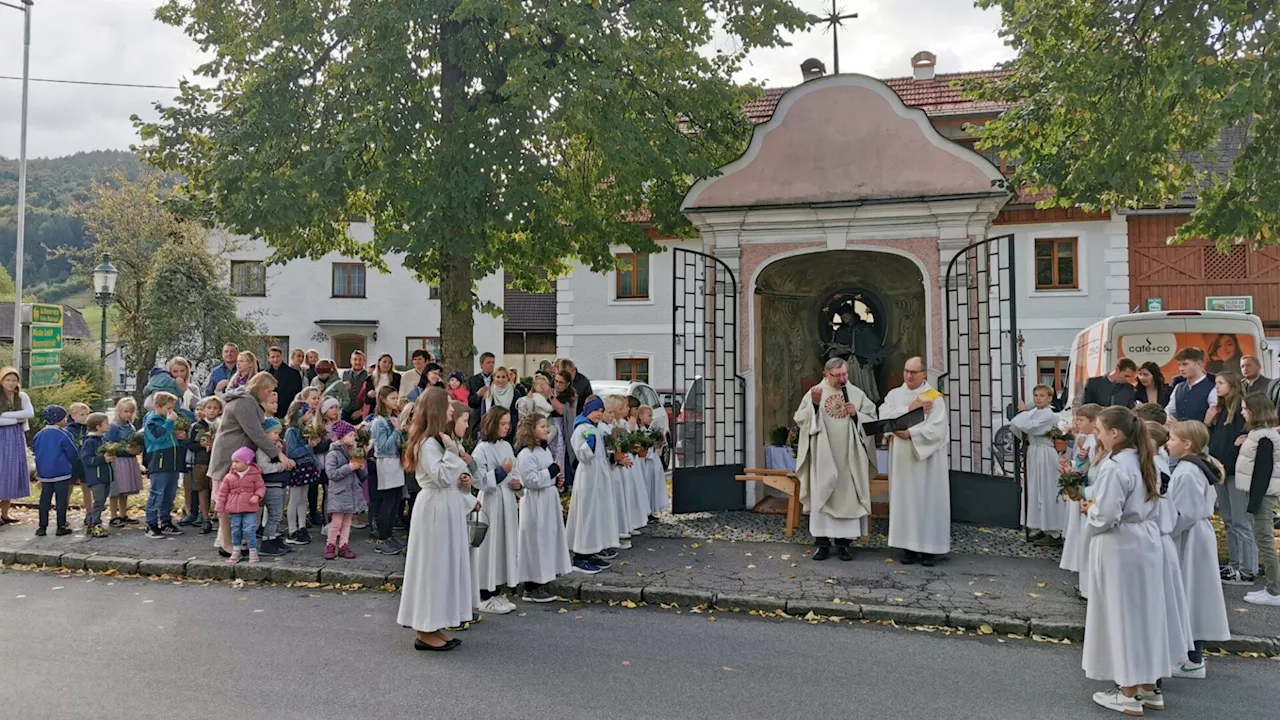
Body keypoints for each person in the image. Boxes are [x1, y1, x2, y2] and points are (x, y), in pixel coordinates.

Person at [1081, 407, 1168, 715]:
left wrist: (1089, 509)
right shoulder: (1147, 461)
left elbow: (1106, 515)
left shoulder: (1114, 466)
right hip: (1146, 541)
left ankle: (1127, 692)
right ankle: (1148, 686)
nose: (1096, 434)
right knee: (1145, 614)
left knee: (1120, 615)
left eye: (1099, 430)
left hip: (1120, 544)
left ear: (1114, 434)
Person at [397, 387, 479, 651]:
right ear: (437, 410)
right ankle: (424, 627)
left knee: (444, 566)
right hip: (434, 509)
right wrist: (453, 453)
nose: (453, 410)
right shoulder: (427, 443)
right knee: (433, 567)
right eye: (449, 407)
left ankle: (437, 622)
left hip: (446, 507)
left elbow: (450, 476)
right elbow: (440, 476)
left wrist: (462, 479)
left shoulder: (438, 441)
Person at [793, 357, 878, 561]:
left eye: (845, 374)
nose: (842, 379)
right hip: (824, 455)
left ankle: (844, 545)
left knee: (848, 496)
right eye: (837, 375)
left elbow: (872, 418)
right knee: (823, 494)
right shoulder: (815, 393)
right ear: (826, 374)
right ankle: (822, 544)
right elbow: (800, 419)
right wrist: (813, 407)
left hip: (849, 456)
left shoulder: (856, 393)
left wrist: (857, 414)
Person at [1165, 421, 1231, 676]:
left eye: (1172, 438)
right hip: (1194, 535)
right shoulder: (1192, 466)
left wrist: (1165, 532)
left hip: (1190, 538)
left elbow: (1185, 513)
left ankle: (1192, 659)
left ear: (1187, 443)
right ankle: (1191, 655)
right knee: (1192, 593)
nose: (1168, 442)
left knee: (1190, 594)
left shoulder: (1188, 472)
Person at [208, 372, 293, 557]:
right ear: (260, 389)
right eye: (269, 390)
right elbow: (256, 433)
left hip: (238, 455)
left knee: (233, 498)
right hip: (228, 456)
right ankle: (227, 544)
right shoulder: (244, 403)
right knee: (226, 498)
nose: (270, 394)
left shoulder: (249, 402)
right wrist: (278, 455)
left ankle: (230, 542)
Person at [879, 357, 950, 565]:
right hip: (902, 458)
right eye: (906, 371)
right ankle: (908, 547)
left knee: (927, 500)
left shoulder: (934, 398)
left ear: (924, 374)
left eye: (913, 372)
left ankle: (929, 549)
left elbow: (938, 429)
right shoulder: (894, 395)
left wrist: (911, 433)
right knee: (906, 500)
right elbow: (884, 417)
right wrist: (909, 408)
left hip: (926, 461)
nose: (908, 375)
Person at [515, 412, 571, 603]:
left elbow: (546, 474)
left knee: (546, 538)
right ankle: (532, 585)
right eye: (542, 426)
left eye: (546, 426)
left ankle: (544, 577)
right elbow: (530, 480)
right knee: (535, 540)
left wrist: (556, 479)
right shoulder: (526, 454)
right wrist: (552, 472)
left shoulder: (544, 450)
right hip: (535, 502)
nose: (547, 429)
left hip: (548, 499)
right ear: (531, 430)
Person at [1206, 372, 1254, 585]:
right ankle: (1235, 564)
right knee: (1229, 520)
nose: (1216, 387)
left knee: (1241, 521)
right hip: (1221, 470)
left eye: (1220, 383)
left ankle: (1247, 568)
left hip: (1234, 471)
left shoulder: (1242, 411)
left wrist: (1225, 466)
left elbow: (1238, 442)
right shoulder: (1220, 410)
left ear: (1232, 385)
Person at [472, 407, 520, 614]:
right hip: (491, 501)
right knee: (489, 546)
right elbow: (479, 480)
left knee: (503, 545)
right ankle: (484, 593)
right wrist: (501, 472)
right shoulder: (481, 449)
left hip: (506, 500)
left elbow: (515, 471)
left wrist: (518, 483)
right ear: (492, 424)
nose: (506, 427)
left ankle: (497, 588)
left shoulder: (507, 446)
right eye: (502, 424)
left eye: (508, 424)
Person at [1236, 393, 1280, 606]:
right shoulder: (1257, 434)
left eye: (1245, 408)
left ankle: (1275, 590)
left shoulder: (1264, 437)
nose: (1243, 412)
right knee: (1262, 539)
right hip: (1258, 494)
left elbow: (1263, 471)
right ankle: (1272, 587)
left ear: (1254, 411)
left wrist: (1254, 502)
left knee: (1265, 541)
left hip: (1262, 495)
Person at [565, 396, 615, 574]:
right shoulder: (581, 429)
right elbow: (582, 455)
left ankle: (592, 549)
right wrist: (589, 445)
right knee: (586, 514)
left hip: (598, 477)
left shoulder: (595, 428)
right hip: (587, 477)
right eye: (597, 411)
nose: (600, 414)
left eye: (602, 411)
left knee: (595, 513)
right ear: (588, 410)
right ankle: (580, 556)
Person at [1011, 385, 1064, 545]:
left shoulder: (1049, 414)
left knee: (1047, 489)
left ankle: (1054, 531)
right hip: (1033, 452)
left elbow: (1029, 427)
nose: (1038, 398)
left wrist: (1022, 413)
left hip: (1045, 453)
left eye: (1042, 395)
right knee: (1036, 488)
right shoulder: (1034, 412)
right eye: (1036, 395)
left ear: (1050, 398)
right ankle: (1041, 526)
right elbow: (1016, 427)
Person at [1059, 403, 1101, 586]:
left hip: (1091, 492)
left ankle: (1088, 586)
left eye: (1081, 420)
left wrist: (1078, 467)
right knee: (1083, 539)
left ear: (1094, 422)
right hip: (1085, 490)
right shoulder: (1086, 439)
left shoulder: (1095, 441)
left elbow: (1094, 468)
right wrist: (1075, 464)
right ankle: (1085, 584)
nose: (1077, 423)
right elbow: (1083, 465)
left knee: (1087, 539)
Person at [322, 420, 368, 559]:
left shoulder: (352, 452)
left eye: (354, 436)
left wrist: (360, 466)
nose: (353, 438)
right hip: (339, 493)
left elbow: (362, 475)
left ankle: (343, 545)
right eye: (351, 435)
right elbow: (331, 474)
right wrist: (349, 467)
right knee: (336, 522)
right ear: (341, 436)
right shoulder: (333, 454)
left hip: (351, 493)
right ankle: (330, 545)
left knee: (347, 522)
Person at [142, 392, 185, 538]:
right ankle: (151, 524)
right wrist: (169, 423)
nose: (171, 411)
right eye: (168, 408)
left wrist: (177, 436)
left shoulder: (165, 419)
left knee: (169, 494)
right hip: (159, 462)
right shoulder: (152, 421)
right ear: (157, 406)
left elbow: (168, 436)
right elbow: (157, 437)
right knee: (157, 493)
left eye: (172, 408)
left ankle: (166, 521)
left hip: (171, 462)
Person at [369, 386, 406, 556]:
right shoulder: (379, 422)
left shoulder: (392, 418)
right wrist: (397, 430)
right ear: (383, 399)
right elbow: (382, 447)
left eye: (397, 397)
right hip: (386, 463)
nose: (396, 401)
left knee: (396, 500)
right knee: (388, 501)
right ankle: (382, 538)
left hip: (396, 462)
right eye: (392, 398)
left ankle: (390, 535)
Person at [32, 405, 79, 537]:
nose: (66, 421)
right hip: (61, 472)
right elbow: (72, 453)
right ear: (59, 419)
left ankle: (42, 527)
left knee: (44, 500)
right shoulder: (63, 434)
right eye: (64, 418)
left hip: (45, 473)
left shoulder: (39, 435)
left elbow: (36, 451)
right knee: (61, 500)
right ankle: (61, 525)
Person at [217, 446, 265, 564]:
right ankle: (236, 550)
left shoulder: (255, 475)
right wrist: (219, 508)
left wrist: (257, 496)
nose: (233, 464)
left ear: (247, 462)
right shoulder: (229, 477)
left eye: (237, 461)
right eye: (232, 461)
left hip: (249, 508)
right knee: (236, 530)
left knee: (249, 529)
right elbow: (222, 493)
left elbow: (261, 487)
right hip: (234, 509)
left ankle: (253, 550)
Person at [283, 400, 321, 545]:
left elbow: (310, 452)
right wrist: (308, 446)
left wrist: (316, 462)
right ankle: (292, 530)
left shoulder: (304, 429)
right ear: (300, 413)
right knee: (295, 499)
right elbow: (291, 452)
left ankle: (302, 526)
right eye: (309, 412)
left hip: (306, 467)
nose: (311, 415)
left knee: (302, 498)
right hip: (298, 468)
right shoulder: (292, 431)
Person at [0, 367, 33, 524]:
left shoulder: (21, 396)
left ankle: (5, 513)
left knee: (10, 473)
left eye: (14, 380)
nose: (11, 383)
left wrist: (5, 415)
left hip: (15, 437)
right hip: (2, 436)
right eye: (8, 380)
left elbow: (29, 413)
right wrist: (14, 419)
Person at [255, 418, 291, 557]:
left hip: (279, 483)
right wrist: (283, 465)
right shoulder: (263, 450)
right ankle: (267, 542)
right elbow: (265, 468)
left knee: (278, 515)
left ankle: (275, 539)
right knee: (274, 515)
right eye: (275, 433)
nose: (278, 436)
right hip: (272, 484)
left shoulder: (275, 448)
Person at [186, 396, 222, 534]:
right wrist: (201, 444)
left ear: (220, 410)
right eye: (209, 408)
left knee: (218, 491)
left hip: (217, 462)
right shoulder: (197, 426)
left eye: (215, 408)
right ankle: (205, 519)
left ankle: (219, 516)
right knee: (202, 490)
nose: (212, 411)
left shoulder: (222, 425)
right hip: (201, 462)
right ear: (204, 410)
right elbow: (190, 444)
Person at [105, 397, 142, 526]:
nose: (128, 414)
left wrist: (136, 448)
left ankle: (122, 514)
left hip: (129, 460)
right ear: (119, 411)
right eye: (126, 411)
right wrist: (122, 449)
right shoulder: (114, 427)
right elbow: (108, 444)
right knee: (115, 489)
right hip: (118, 460)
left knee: (124, 489)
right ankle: (113, 516)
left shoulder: (130, 425)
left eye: (131, 412)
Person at [80, 413, 113, 538]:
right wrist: (102, 459)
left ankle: (90, 521)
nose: (108, 425)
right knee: (98, 501)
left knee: (101, 501)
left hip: (106, 475)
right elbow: (86, 459)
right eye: (106, 423)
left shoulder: (104, 439)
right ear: (98, 426)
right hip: (97, 477)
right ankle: (95, 524)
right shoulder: (89, 442)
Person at [1166, 348, 1216, 422]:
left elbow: (1214, 416)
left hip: (1201, 432)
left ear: (1199, 364)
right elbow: (1170, 410)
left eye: (1185, 364)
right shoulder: (1178, 387)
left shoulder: (1212, 388)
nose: (1181, 368)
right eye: (1179, 365)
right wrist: (1168, 418)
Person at [635, 405, 669, 516]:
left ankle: (654, 507)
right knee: (647, 483)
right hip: (645, 461)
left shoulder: (650, 431)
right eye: (649, 415)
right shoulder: (639, 431)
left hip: (653, 460)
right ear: (640, 416)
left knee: (654, 483)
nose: (651, 418)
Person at [266, 346, 304, 418]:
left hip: (287, 411)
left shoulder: (294, 373)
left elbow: (297, 395)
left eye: (278, 356)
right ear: (268, 359)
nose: (275, 359)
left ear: (282, 357)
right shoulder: (265, 374)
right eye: (272, 357)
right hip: (269, 412)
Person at [341, 350, 370, 423]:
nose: (357, 362)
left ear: (364, 361)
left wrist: (361, 411)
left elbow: (369, 397)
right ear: (351, 360)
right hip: (345, 411)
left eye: (360, 359)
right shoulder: (344, 374)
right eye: (355, 359)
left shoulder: (368, 376)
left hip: (361, 413)